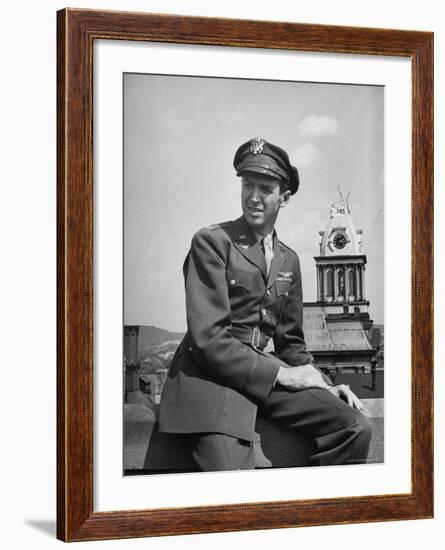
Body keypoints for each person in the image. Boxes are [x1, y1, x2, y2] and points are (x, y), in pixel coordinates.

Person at [158, 137, 372, 471]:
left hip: (263, 370)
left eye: (265, 188)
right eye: (247, 185)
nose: (253, 197)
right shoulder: (212, 242)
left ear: (284, 198)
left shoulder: (289, 259)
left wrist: (328, 385)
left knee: (354, 426)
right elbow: (209, 339)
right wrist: (283, 376)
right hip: (209, 376)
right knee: (232, 475)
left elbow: (292, 345)